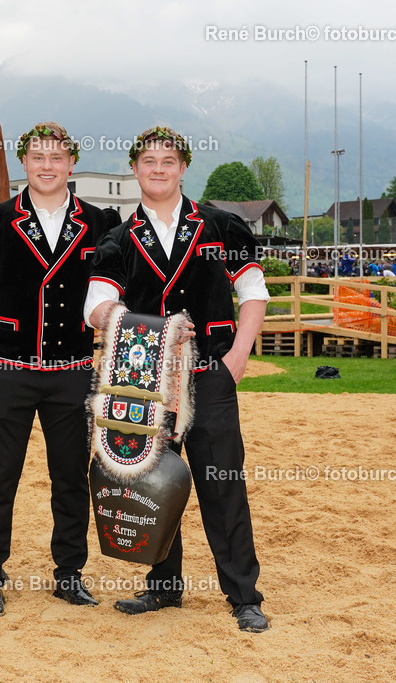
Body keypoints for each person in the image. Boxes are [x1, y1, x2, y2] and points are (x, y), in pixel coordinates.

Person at [85, 126, 271, 633]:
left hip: (212, 374)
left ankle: (243, 595)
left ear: (183, 167)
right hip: (146, 382)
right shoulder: (118, 240)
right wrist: (140, 325)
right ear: (135, 169)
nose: (158, 169)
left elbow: (253, 292)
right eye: (148, 161)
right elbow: (94, 308)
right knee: (152, 483)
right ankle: (163, 588)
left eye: (168, 161)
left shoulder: (222, 226)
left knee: (222, 484)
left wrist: (238, 356)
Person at [0, 122, 119, 617]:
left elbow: (125, 277)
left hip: (74, 370)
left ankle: (68, 574)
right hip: (9, 368)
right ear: (24, 163)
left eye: (56, 157)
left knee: (70, 478)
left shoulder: (100, 222)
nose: (46, 165)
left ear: (71, 164)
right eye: (37, 157)